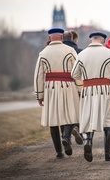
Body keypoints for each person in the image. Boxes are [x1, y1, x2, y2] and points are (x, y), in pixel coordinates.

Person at [71, 31, 110, 162]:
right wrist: (109, 78)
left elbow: (74, 74)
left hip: (87, 89)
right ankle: (108, 154)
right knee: (108, 120)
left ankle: (88, 141)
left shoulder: (82, 54)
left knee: (89, 117)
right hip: (105, 89)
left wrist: (86, 78)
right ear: (103, 41)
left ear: (90, 41)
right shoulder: (109, 53)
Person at [33, 27, 80, 159]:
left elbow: (38, 76)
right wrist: (80, 88)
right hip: (68, 86)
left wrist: (39, 95)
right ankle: (65, 136)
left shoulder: (43, 53)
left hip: (50, 89)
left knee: (53, 120)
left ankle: (59, 152)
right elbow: (77, 71)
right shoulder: (70, 51)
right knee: (72, 114)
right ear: (61, 37)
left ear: (50, 38)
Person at [62, 30, 84, 145]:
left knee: (64, 112)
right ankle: (77, 128)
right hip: (77, 85)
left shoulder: (59, 52)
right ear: (75, 39)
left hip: (60, 85)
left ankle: (66, 138)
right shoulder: (81, 52)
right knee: (78, 110)